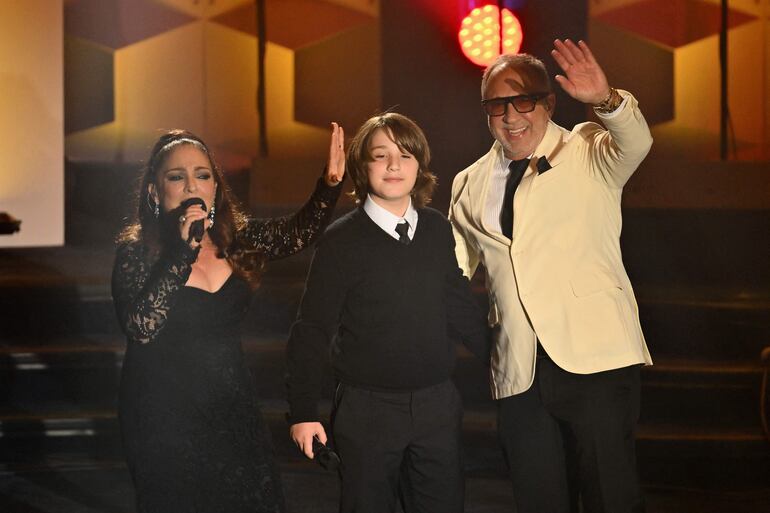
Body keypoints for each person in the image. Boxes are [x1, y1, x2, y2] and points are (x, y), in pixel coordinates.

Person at [448, 39, 653, 513]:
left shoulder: (587, 147)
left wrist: (607, 101)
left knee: (612, 495)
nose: (511, 116)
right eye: (497, 105)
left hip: (596, 358)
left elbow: (637, 142)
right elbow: (452, 271)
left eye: (523, 101)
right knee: (539, 498)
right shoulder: (470, 181)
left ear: (548, 103)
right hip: (520, 369)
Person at [112, 125, 346, 513]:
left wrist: (330, 184)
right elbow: (142, 327)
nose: (192, 185)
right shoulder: (136, 254)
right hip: (162, 412)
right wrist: (183, 250)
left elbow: (297, 233)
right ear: (155, 191)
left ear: (216, 190)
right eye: (177, 176)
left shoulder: (236, 242)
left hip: (229, 403)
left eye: (202, 175)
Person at [286, 112, 490, 513]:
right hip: (368, 410)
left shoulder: (436, 229)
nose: (394, 165)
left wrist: (501, 361)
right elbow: (312, 327)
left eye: (405, 155)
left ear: (420, 166)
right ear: (362, 167)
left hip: (436, 405)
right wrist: (303, 412)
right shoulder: (341, 240)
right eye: (381, 156)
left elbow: (458, 304)